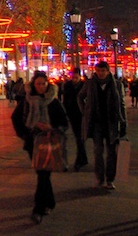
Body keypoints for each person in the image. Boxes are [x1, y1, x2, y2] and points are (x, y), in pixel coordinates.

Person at [12, 70, 68, 224]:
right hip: (33, 142)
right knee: (42, 173)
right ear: (33, 84)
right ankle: (49, 202)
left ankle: (39, 207)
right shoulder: (27, 101)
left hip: (49, 141)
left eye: (43, 83)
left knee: (44, 175)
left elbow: (64, 122)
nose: (41, 86)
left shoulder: (53, 101)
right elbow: (15, 117)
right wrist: (24, 134)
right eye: (38, 83)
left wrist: (51, 127)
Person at [78, 60, 127, 190]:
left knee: (112, 152)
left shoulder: (116, 85)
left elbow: (122, 104)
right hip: (96, 123)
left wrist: (123, 122)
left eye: (103, 71)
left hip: (111, 122)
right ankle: (100, 178)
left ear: (108, 71)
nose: (100, 73)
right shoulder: (90, 84)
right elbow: (80, 97)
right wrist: (85, 111)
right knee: (98, 151)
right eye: (98, 71)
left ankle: (110, 179)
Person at [62, 67, 88, 171]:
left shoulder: (84, 85)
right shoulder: (68, 85)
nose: (74, 79)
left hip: (82, 114)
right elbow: (65, 100)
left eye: (76, 77)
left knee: (80, 137)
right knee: (79, 137)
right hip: (72, 114)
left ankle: (80, 160)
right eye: (73, 77)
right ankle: (82, 159)